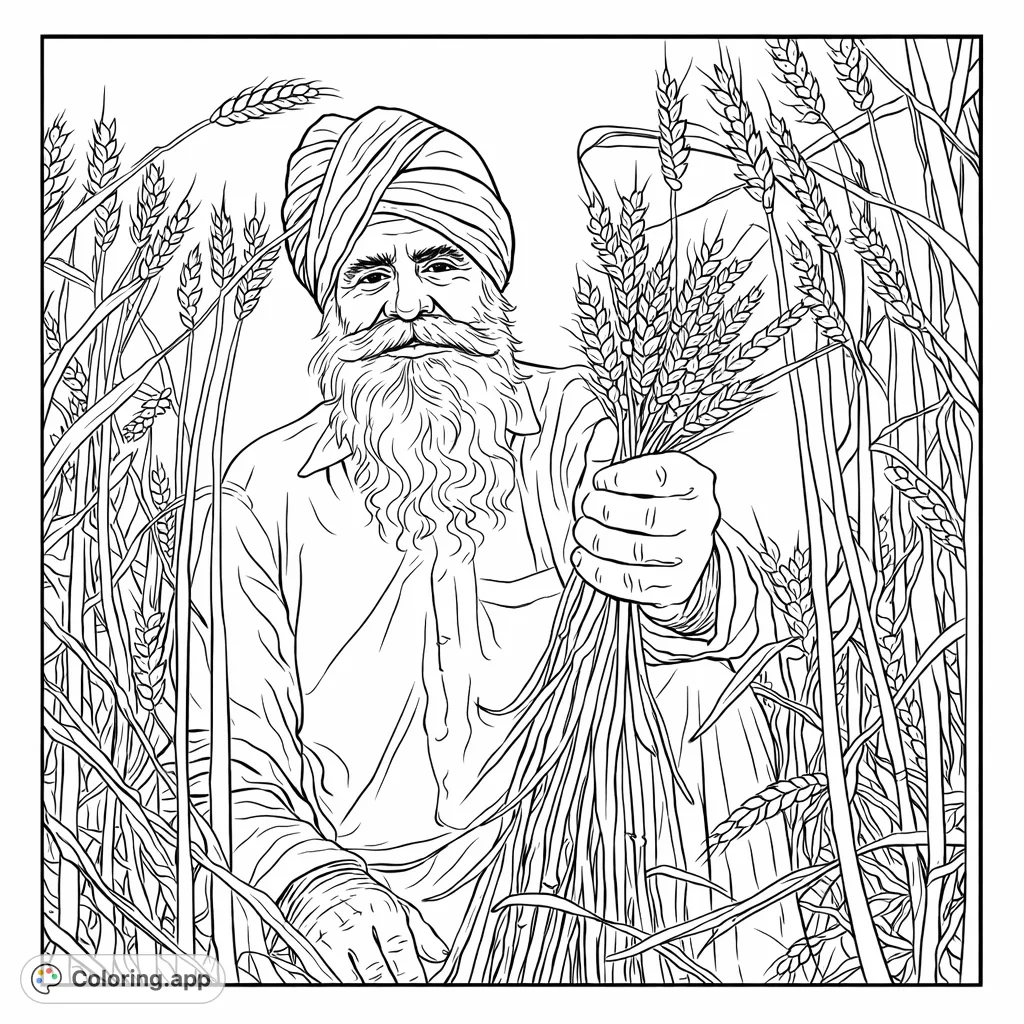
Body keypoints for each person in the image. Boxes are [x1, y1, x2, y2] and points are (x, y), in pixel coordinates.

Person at [193, 106, 805, 984]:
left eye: (441, 263)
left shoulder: (583, 425)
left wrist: (690, 576)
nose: (409, 304)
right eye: (369, 275)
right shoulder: (258, 495)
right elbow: (227, 759)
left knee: (712, 695)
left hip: (591, 889)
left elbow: (741, 630)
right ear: (329, 311)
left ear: (492, 286)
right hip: (369, 921)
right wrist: (319, 886)